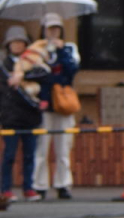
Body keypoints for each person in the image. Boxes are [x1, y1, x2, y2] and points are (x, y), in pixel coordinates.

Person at [32, 13, 80, 200]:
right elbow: (35, 73)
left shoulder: (69, 48)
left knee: (63, 147)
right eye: (49, 28)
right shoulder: (36, 50)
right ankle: (39, 185)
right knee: (41, 147)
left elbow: (72, 71)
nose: (53, 32)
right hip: (44, 104)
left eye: (56, 28)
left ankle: (63, 184)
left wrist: (60, 52)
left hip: (63, 103)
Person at [0, 26, 47, 201]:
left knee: (30, 154)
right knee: (9, 155)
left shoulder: (34, 61)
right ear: (8, 45)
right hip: (11, 116)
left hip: (30, 115)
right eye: (14, 42)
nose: (17, 45)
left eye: (21, 42)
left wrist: (23, 75)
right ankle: (5, 189)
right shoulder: (4, 66)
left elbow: (45, 76)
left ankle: (29, 187)